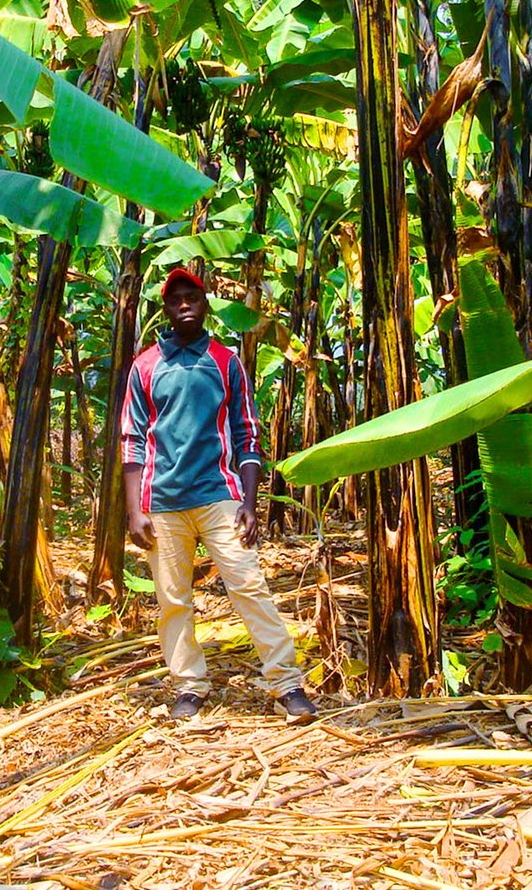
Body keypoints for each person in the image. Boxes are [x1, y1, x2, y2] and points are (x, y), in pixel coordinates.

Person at [121, 267, 316, 723]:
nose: (184, 305)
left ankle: (286, 684)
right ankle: (189, 685)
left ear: (205, 303)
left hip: (218, 494)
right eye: (175, 300)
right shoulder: (145, 365)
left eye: (191, 297)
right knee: (173, 599)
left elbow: (247, 434)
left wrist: (249, 502)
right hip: (162, 500)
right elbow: (132, 439)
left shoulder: (226, 361)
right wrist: (134, 511)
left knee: (248, 584)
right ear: (166, 310)